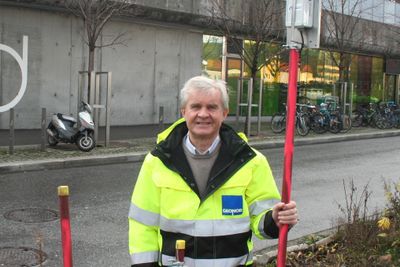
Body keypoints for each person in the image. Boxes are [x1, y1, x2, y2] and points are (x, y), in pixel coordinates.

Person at [128, 76, 298, 267]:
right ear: (184, 112)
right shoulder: (158, 161)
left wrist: (275, 219)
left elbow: (262, 220)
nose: (203, 114)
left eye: (211, 107)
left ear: (224, 113)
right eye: (196, 106)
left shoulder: (251, 162)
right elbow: (142, 224)